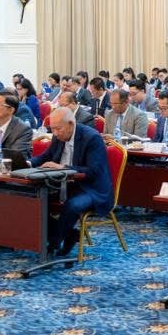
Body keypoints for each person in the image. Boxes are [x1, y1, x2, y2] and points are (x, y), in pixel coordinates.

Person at [31, 106, 112, 257]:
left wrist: (63, 167)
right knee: (34, 200)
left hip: (90, 188)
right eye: (52, 129)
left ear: (71, 124)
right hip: (64, 184)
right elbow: (46, 156)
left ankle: (53, 243)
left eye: (58, 129)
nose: (55, 133)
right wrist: (28, 163)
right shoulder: (58, 136)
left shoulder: (92, 138)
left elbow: (92, 171)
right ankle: (69, 234)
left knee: (73, 205)